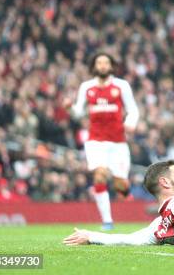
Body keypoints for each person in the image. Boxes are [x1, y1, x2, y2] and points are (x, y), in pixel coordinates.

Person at [63, 52, 139, 230]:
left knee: (121, 185)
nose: (103, 66)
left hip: (118, 143)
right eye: (99, 62)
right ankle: (107, 221)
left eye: (106, 62)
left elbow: (133, 109)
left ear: (111, 66)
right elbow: (79, 113)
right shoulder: (86, 87)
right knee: (100, 174)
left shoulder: (121, 85)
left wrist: (130, 122)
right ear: (94, 66)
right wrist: (69, 108)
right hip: (95, 141)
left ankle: (123, 191)